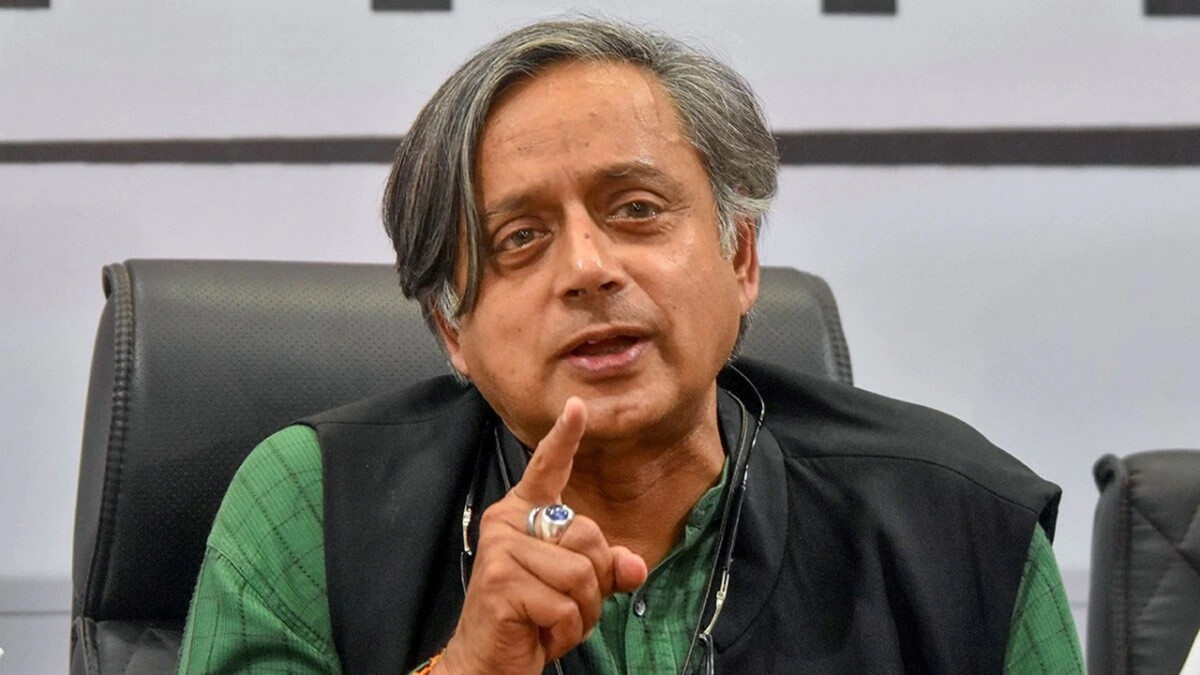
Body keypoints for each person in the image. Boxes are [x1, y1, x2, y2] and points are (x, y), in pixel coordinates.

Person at [178, 18, 1083, 674]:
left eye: (637, 209)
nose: (587, 267)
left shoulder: (960, 524)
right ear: (452, 329)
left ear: (740, 258)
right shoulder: (312, 506)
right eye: (520, 238)